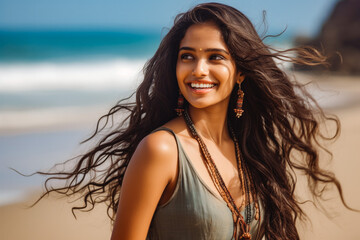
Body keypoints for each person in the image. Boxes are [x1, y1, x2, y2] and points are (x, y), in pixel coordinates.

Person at [37, 3, 352, 240]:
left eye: (215, 57)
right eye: (187, 56)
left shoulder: (246, 150)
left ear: (240, 70)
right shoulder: (161, 149)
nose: (198, 70)